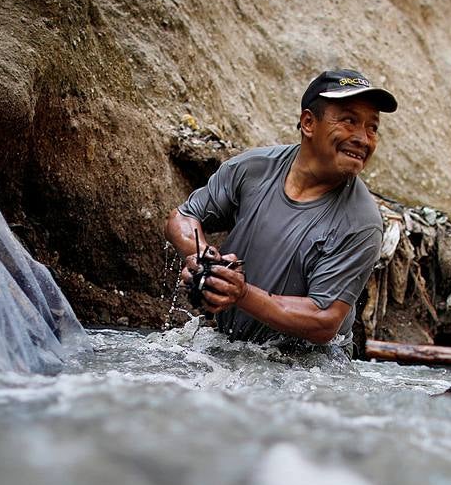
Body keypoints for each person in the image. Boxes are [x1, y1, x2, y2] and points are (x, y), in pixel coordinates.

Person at [164, 69, 398, 346]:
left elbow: (323, 320)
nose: (364, 138)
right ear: (308, 123)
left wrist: (241, 294)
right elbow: (182, 217)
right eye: (349, 121)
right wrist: (204, 260)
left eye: (372, 128)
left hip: (307, 367)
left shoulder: (362, 222)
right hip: (228, 345)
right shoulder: (253, 169)